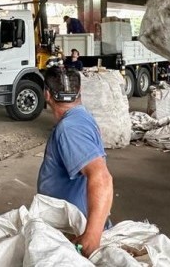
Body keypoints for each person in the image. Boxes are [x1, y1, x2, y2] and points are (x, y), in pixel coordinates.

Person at [37, 67, 114, 258]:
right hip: (72, 223)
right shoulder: (80, 116)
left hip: (75, 230)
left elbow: (102, 178)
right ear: (79, 92)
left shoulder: (70, 128)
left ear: (47, 94)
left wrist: (92, 236)